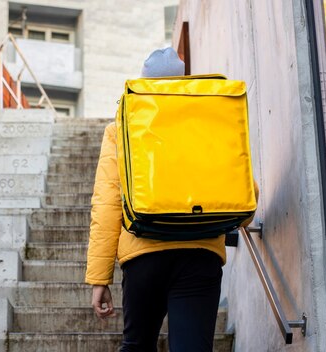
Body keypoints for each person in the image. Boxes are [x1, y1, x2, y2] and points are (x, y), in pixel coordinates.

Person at [85, 47, 259, 351]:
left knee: (137, 345)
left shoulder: (121, 128)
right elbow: (243, 190)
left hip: (143, 254)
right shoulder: (209, 117)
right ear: (182, 81)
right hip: (200, 252)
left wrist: (100, 278)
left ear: (145, 84)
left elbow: (107, 204)